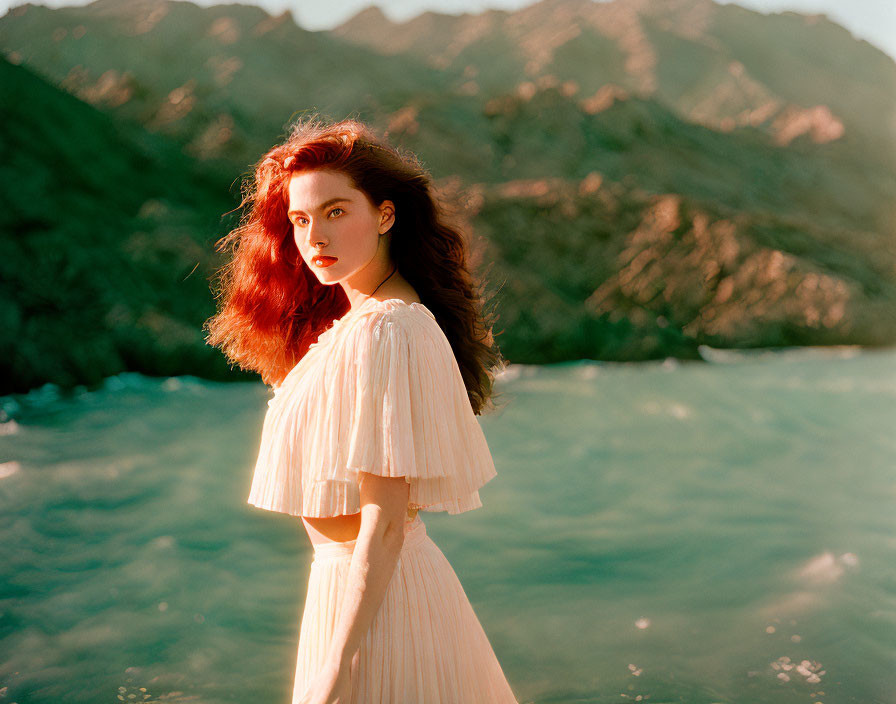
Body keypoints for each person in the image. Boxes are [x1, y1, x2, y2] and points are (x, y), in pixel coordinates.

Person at [204, 114, 520, 704]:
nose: (314, 236)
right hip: (357, 590)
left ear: (385, 214)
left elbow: (385, 521)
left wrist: (335, 669)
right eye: (300, 220)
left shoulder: (387, 328)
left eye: (336, 211)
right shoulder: (369, 322)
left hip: (377, 603)